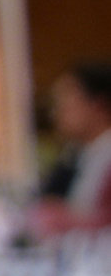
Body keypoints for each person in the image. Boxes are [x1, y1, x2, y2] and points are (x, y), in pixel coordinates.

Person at [35, 60, 111, 233]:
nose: (57, 110)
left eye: (67, 97)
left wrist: (63, 219)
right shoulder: (79, 154)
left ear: (98, 105)